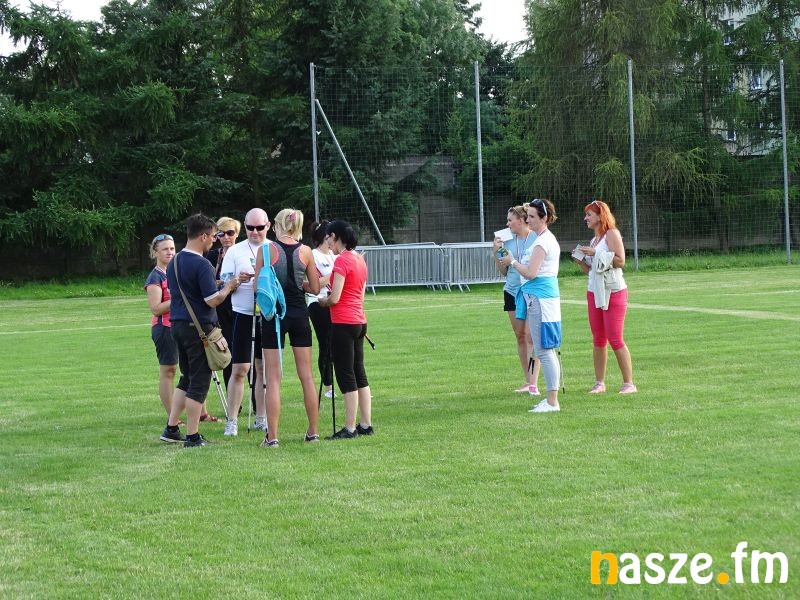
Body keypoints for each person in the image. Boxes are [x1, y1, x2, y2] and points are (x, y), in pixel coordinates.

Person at [159, 214, 242, 447]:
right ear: (203, 236)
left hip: (178, 325)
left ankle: (172, 428)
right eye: (214, 236)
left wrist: (216, 285)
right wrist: (229, 286)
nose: (215, 240)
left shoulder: (175, 261)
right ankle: (193, 436)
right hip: (199, 329)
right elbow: (212, 300)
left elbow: (190, 290)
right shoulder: (202, 264)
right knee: (199, 382)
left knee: (186, 378)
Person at [254, 208, 320, 447]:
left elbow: (258, 288)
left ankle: (272, 436)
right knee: (307, 376)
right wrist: (299, 283)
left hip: (274, 316)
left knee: (273, 379)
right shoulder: (306, 251)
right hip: (299, 313)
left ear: (277, 225)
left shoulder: (266, 250)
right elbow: (314, 288)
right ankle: (313, 432)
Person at [499, 199, 562, 413]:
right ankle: (542, 392)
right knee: (540, 347)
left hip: (541, 299)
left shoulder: (543, 242)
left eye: (533, 217)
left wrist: (512, 261)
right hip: (534, 298)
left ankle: (552, 401)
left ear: (544, 218)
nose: (529, 220)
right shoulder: (540, 240)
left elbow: (531, 273)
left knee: (543, 349)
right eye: (528, 216)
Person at [573, 200, 637, 394]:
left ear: (600, 216)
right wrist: (581, 261)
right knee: (598, 338)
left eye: (589, 215)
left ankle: (629, 384)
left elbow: (621, 261)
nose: (585, 218)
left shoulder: (611, 233)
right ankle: (599, 383)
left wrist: (596, 253)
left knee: (615, 338)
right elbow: (592, 271)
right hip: (594, 291)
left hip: (613, 291)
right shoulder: (594, 239)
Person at [318, 219, 373, 439]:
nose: (328, 242)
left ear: (335, 236)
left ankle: (350, 428)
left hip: (343, 323)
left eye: (329, 238)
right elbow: (360, 295)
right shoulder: (359, 259)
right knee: (359, 372)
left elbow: (335, 297)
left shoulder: (341, 261)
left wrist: (322, 302)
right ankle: (366, 424)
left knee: (345, 374)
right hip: (359, 321)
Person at [219, 209, 269, 436]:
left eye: (260, 228)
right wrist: (237, 280)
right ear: (245, 227)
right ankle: (232, 420)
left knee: (263, 368)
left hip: (266, 315)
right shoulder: (235, 251)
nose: (255, 232)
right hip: (242, 314)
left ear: (268, 226)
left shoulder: (272, 248)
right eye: (250, 228)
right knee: (240, 368)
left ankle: (261, 417)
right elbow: (224, 282)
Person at [492, 206, 541, 396]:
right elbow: (504, 272)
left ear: (521, 220)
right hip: (512, 291)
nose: (507, 223)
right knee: (520, 336)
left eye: (510, 220)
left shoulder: (536, 237)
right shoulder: (506, 240)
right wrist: (496, 253)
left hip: (531, 291)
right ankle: (527, 381)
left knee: (531, 337)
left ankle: (534, 381)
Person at [205, 216, 241, 393]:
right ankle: (232, 399)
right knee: (227, 351)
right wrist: (220, 284)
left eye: (230, 233)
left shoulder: (244, 253)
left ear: (237, 234)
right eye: (221, 233)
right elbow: (206, 282)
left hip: (241, 306)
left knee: (246, 353)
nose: (226, 237)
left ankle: (256, 400)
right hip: (221, 308)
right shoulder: (213, 255)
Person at [144, 234, 178, 419]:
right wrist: (179, 298)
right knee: (169, 371)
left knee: (192, 370)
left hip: (181, 326)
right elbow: (156, 308)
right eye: (165, 249)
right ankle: (172, 416)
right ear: (155, 252)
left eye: (172, 248)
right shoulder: (155, 277)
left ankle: (201, 413)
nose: (169, 252)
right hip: (164, 328)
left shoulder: (177, 272)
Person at [306, 220, 335, 399]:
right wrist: (336, 274)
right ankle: (328, 387)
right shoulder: (313, 255)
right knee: (326, 344)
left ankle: (347, 385)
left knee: (339, 345)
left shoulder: (334, 254)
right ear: (326, 236)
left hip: (334, 302)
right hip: (317, 303)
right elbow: (315, 283)